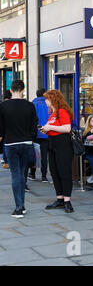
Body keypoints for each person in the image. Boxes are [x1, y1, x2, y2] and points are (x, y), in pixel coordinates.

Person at [0, 81, 38, 219]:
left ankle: (18, 207)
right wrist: (31, 138)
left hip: (11, 143)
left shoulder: (3, 105)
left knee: (15, 174)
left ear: (11, 90)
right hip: (26, 143)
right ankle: (21, 205)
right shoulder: (29, 105)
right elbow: (34, 125)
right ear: (23, 89)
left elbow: (1, 128)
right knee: (22, 174)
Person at [41, 90, 75, 214]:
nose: (45, 101)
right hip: (53, 145)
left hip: (63, 146)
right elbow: (54, 128)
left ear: (53, 99)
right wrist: (45, 129)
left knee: (64, 173)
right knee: (55, 172)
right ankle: (60, 199)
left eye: (47, 98)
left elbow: (67, 128)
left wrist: (49, 127)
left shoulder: (62, 111)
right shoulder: (53, 113)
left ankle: (67, 201)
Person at [30, 89, 51, 183]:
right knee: (44, 155)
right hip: (46, 134)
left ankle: (32, 173)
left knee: (34, 154)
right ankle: (44, 176)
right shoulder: (49, 104)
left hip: (35, 134)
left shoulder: (32, 104)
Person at [83, 115, 93, 185]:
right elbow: (84, 140)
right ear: (89, 122)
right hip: (88, 153)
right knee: (92, 158)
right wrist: (90, 133)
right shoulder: (86, 132)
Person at [1, 90, 12, 169]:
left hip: (3, 127)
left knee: (5, 144)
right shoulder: (12, 104)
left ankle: (6, 161)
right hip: (11, 128)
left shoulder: (2, 105)